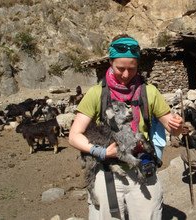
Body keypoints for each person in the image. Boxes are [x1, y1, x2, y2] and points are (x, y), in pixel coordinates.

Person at [68, 34, 183, 220]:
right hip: (107, 172)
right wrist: (101, 152)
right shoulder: (97, 93)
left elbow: (173, 129)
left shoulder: (150, 92)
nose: (126, 74)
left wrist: (177, 125)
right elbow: (74, 135)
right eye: (120, 68)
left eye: (132, 68)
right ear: (110, 62)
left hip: (143, 167)